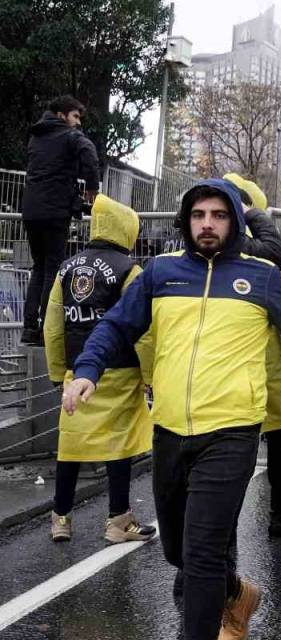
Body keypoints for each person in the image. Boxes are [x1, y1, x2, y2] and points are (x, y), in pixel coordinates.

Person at [61, 179, 281, 640]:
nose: (207, 224)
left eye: (218, 215)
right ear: (186, 221)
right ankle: (236, 591)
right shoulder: (160, 273)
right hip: (169, 428)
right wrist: (88, 370)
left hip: (232, 431)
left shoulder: (262, 276)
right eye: (199, 215)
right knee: (178, 551)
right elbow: (117, 325)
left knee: (202, 553)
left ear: (235, 222)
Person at [43, 195, 153, 544]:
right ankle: (119, 521)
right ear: (127, 228)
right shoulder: (130, 271)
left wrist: (58, 371)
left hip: (77, 373)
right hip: (120, 371)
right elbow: (143, 333)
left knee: (71, 446)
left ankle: (60, 519)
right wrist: (150, 376)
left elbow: (53, 326)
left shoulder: (66, 268)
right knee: (119, 446)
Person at [223, 173, 281, 538]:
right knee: (276, 433)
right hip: (266, 362)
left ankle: (219, 526)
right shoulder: (266, 262)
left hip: (223, 364)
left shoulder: (211, 255)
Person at [21, 96, 100, 345]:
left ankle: (29, 328)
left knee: (38, 267)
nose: (78, 122)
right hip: (54, 211)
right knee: (52, 268)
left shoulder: (36, 136)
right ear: (61, 115)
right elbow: (89, 151)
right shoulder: (68, 135)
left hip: (31, 210)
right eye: (75, 116)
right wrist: (92, 186)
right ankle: (46, 328)